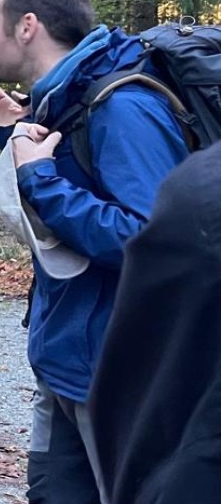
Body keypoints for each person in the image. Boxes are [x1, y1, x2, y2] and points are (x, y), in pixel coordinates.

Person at [0, 0, 188, 504]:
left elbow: (151, 240)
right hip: (66, 357)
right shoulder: (67, 98)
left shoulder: (123, 107)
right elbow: (73, 196)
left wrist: (39, 176)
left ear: (27, 27)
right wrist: (9, 134)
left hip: (115, 371)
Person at [90, 143, 221, 504]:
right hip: (63, 346)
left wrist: (38, 178)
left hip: (91, 356)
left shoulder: (125, 104)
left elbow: (132, 228)